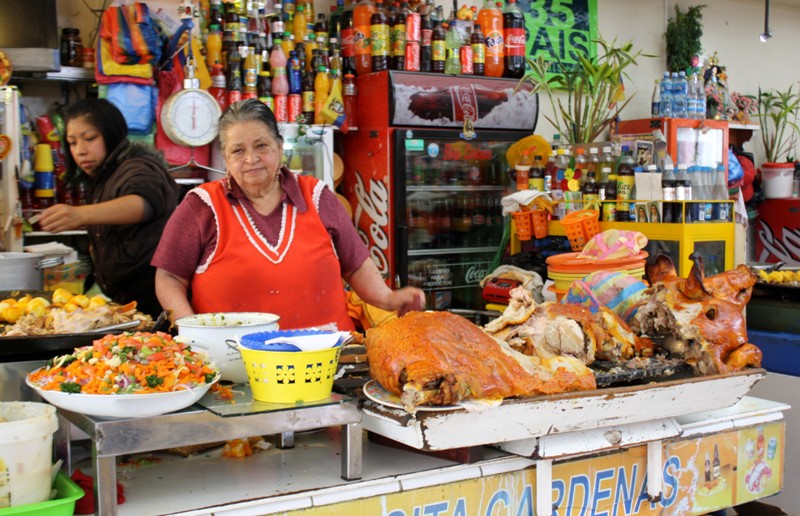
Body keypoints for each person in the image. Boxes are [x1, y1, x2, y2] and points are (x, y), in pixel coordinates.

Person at [152, 99, 425, 330]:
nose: (251, 159)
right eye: (238, 150)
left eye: (261, 146)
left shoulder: (317, 197)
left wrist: (387, 299)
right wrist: (190, 329)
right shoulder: (201, 206)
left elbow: (354, 264)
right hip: (234, 368)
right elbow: (169, 278)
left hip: (331, 363)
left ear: (280, 147)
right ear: (225, 157)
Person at [38, 98, 179, 318]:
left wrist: (79, 215)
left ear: (111, 134)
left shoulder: (138, 166)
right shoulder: (103, 177)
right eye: (73, 143)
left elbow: (145, 203)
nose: (80, 151)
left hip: (156, 300)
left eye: (90, 139)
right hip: (127, 301)